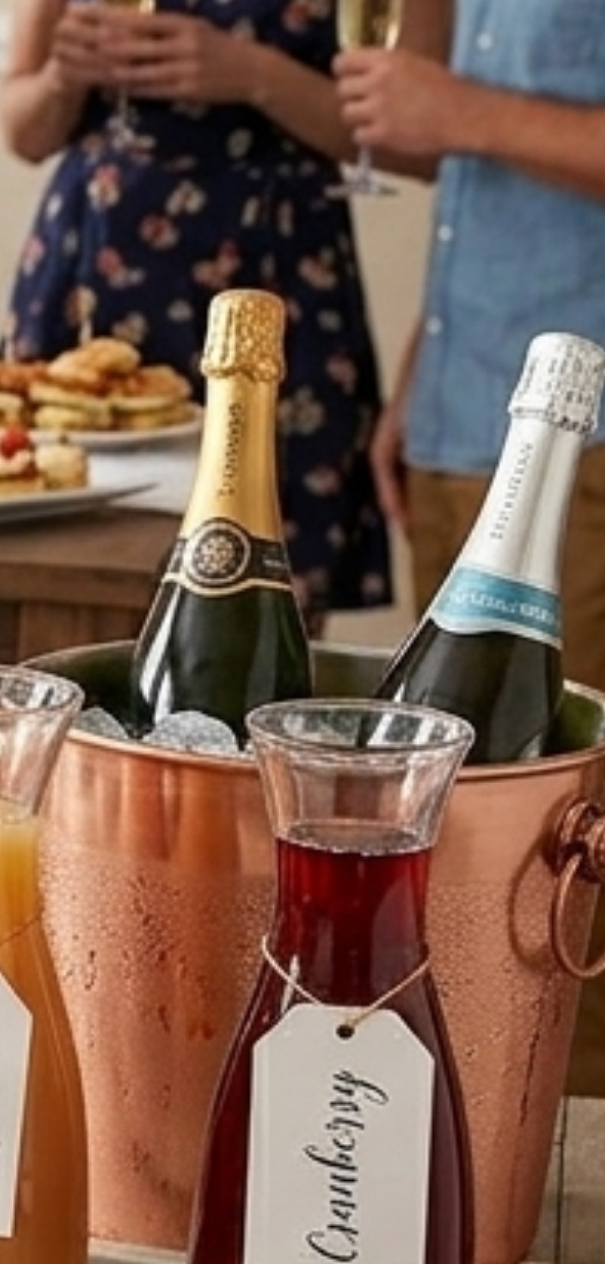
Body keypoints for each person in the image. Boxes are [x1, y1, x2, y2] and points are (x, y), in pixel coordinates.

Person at [335, 0, 605, 1097]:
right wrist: (417, 378)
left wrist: (459, 110)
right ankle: (463, 1124)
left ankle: (562, 1172)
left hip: (587, 459)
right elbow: (483, 214)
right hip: (467, 419)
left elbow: (460, 126)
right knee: (455, 828)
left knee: (559, 845)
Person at [0, 0, 393, 628]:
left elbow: (407, 140)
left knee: (264, 582)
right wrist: (62, 78)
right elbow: (23, 132)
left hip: (278, 278)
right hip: (96, 274)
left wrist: (255, 75)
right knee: (69, 566)